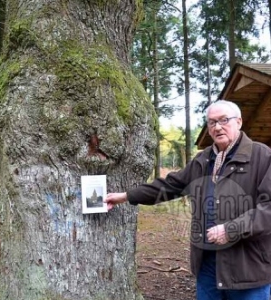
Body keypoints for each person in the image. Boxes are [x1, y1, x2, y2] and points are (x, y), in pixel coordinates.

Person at [105, 100, 271, 300]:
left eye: (224, 120)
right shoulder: (204, 159)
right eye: (211, 122)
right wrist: (126, 196)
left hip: (247, 266)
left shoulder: (263, 156)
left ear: (239, 122)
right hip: (207, 264)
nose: (217, 127)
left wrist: (231, 230)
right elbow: (169, 186)